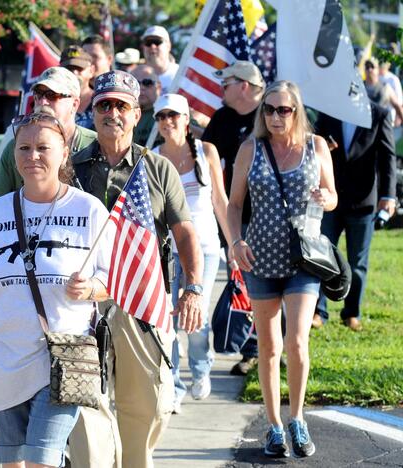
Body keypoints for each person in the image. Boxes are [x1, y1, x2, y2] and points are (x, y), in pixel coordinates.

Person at [0, 108, 113, 468]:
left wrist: (93, 288)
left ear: (64, 152)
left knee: (41, 460)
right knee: (13, 464)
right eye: (23, 148)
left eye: (43, 148)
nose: (32, 156)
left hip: (62, 360)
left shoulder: (89, 210)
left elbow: (116, 279)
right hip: (1, 362)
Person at [70, 70, 203, 468]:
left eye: (121, 106)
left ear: (137, 113)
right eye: (104, 105)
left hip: (140, 299)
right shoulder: (71, 168)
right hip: (82, 303)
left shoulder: (157, 169)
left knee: (148, 404)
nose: (112, 112)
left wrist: (193, 287)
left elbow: (184, 234)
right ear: (92, 112)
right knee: (83, 403)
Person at [228, 80, 337, 459]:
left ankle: (298, 418)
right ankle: (274, 426)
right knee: (270, 347)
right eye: (269, 110)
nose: (275, 116)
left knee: (297, 342)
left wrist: (327, 197)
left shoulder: (316, 146)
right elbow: (234, 204)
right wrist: (236, 242)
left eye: (283, 110)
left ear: (297, 111)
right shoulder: (250, 149)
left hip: (302, 259)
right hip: (259, 258)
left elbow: (333, 195)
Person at [152, 93, 233, 413]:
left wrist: (234, 246)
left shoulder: (206, 151)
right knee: (168, 319)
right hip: (168, 250)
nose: (167, 122)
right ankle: (173, 384)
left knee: (194, 317)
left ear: (187, 120)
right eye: (161, 117)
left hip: (207, 247)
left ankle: (200, 367)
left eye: (173, 116)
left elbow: (221, 203)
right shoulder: (152, 158)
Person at [203, 60, 265, 376]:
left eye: (225, 84)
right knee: (243, 285)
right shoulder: (223, 117)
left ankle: (273, 345)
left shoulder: (273, 112)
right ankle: (251, 350)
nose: (221, 90)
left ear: (242, 85)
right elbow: (205, 154)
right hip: (238, 216)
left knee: (277, 286)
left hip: (274, 218)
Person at [312, 101, 397, 331]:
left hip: (363, 200)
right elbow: (313, 148)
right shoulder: (329, 109)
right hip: (330, 198)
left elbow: (388, 156)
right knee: (322, 256)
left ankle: (351, 313)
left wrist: (388, 195)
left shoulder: (378, 113)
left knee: (357, 262)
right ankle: (319, 311)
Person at [0, 67, 97, 201]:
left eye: (52, 95)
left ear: (74, 104)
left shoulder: (95, 146)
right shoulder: (18, 146)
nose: (43, 102)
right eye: (38, 94)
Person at [60, 45, 96, 130]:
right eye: (69, 68)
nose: (74, 72)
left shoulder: (102, 101)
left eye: (79, 68)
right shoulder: (50, 100)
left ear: (91, 71)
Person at [364, 57, 403, 126]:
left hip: (380, 126)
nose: (370, 69)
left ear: (378, 70)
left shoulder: (386, 87)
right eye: (367, 67)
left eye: (372, 67)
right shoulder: (359, 87)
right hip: (364, 126)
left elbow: (398, 106)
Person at [131, 64, 162, 147]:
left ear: (159, 87)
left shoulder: (169, 113)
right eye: (136, 83)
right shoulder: (120, 112)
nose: (141, 87)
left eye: (147, 83)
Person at [140, 26, 178, 93]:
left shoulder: (180, 74)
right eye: (148, 42)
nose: (152, 46)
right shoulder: (135, 78)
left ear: (168, 45)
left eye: (157, 42)